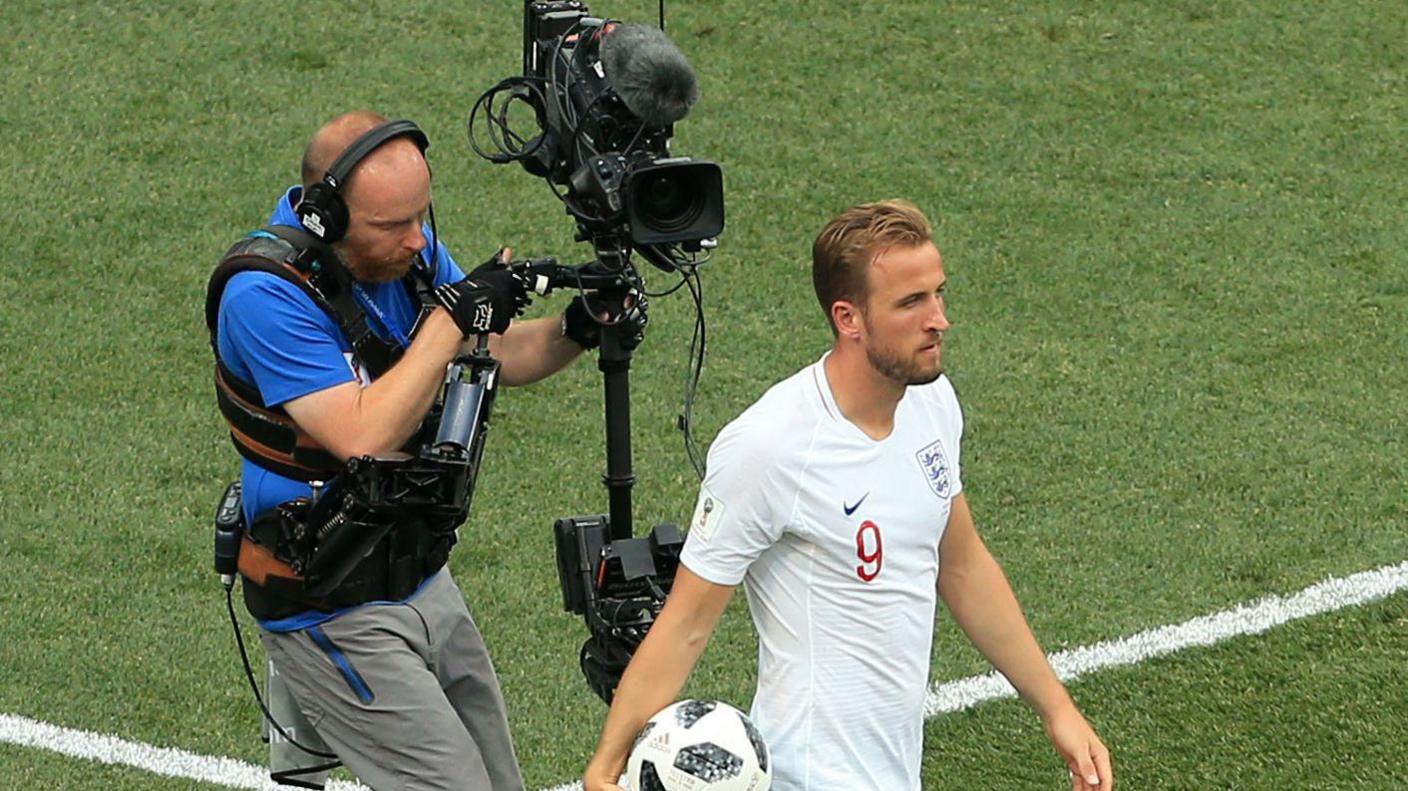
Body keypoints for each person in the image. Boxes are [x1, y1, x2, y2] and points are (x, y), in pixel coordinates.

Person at [583, 200, 1113, 791]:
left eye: (938, 294)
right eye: (911, 303)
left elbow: (962, 566)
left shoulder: (932, 403)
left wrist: (1057, 709)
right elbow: (685, 624)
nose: (939, 320)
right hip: (808, 776)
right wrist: (607, 764)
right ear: (848, 318)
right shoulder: (770, 446)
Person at [209, 110, 635, 790]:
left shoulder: (404, 256)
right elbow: (363, 434)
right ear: (325, 215)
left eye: (420, 216)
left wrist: (577, 328)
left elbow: (492, 349)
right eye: (391, 225)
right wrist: (452, 315)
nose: (416, 240)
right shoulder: (263, 294)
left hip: (418, 571)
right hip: (331, 600)